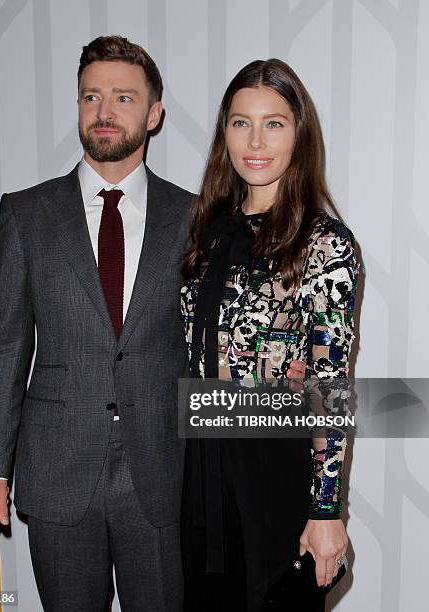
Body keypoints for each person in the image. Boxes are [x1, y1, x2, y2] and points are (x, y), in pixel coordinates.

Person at [0, 35, 193, 611]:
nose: (105, 111)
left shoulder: (194, 217)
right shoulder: (26, 213)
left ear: (154, 113)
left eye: (123, 97)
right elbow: (4, 347)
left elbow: (206, 345)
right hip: (57, 470)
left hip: (160, 471)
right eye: (91, 97)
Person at [180, 58, 359, 611]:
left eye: (274, 123)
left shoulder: (325, 244)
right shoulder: (205, 234)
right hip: (198, 475)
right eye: (240, 122)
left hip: (274, 472)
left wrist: (327, 512)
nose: (255, 140)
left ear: (299, 135)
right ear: (224, 133)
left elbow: (329, 389)